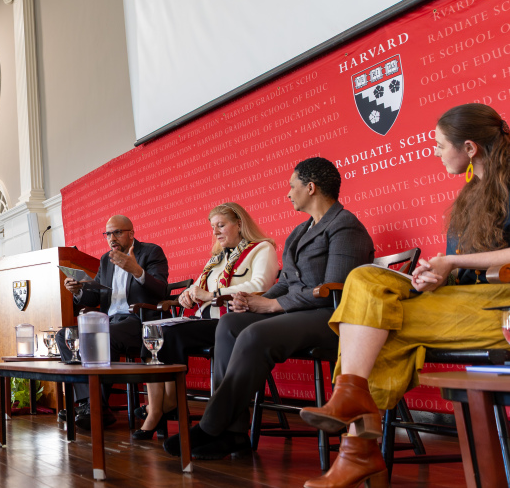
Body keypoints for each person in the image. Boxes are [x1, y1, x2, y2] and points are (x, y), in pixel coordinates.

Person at [301, 104, 510, 488]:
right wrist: (434, 276)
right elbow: (461, 269)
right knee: (363, 279)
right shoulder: (470, 195)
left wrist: (450, 261)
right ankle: (352, 404)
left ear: (469, 147)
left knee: (374, 329)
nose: (436, 152)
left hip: (500, 306)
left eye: (440, 145)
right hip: (461, 300)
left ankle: (358, 450)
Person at [164, 157, 374, 460]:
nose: (288, 193)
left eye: (292, 186)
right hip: (299, 313)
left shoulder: (345, 226)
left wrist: (274, 305)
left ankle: (211, 425)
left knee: (254, 335)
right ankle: (234, 433)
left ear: (311, 188)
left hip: (332, 318)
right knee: (230, 324)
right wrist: (253, 302)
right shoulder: (300, 232)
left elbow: (336, 289)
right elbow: (286, 281)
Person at [133, 203, 278, 440]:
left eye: (221, 225)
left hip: (235, 322)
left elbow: (261, 285)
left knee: (172, 333)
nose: (216, 232)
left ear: (239, 223)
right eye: (213, 227)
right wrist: (186, 295)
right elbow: (197, 287)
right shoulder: (216, 259)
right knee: (153, 330)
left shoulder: (261, 249)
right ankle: (159, 405)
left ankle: (164, 406)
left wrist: (213, 295)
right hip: (205, 320)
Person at [56, 214, 169, 429]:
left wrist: (136, 270)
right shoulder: (106, 260)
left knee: (101, 336)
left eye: (117, 232)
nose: (112, 238)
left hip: (138, 321)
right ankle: (90, 404)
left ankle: (95, 408)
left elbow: (160, 290)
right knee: (65, 335)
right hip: (110, 321)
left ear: (131, 233)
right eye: (108, 234)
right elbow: (95, 297)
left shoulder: (150, 252)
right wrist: (78, 290)